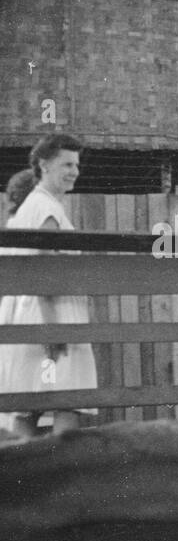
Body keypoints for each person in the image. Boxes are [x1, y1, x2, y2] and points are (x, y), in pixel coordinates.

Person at [0, 135, 96, 437]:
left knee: (31, 403)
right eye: (67, 164)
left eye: (77, 165)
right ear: (44, 165)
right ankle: (58, 480)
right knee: (67, 403)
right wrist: (53, 329)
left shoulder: (37, 204)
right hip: (51, 313)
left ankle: (23, 479)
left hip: (34, 313)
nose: (74, 171)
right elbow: (42, 272)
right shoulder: (46, 209)